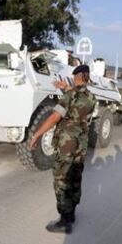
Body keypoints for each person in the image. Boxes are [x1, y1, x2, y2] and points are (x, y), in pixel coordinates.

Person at [30, 64, 96, 234]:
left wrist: (37, 134)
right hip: (81, 144)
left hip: (67, 144)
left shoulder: (69, 95)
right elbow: (77, 99)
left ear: (78, 77)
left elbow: (54, 117)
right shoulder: (91, 97)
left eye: (74, 77)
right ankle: (71, 214)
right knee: (75, 178)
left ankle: (64, 221)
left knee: (62, 180)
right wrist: (65, 88)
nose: (73, 79)